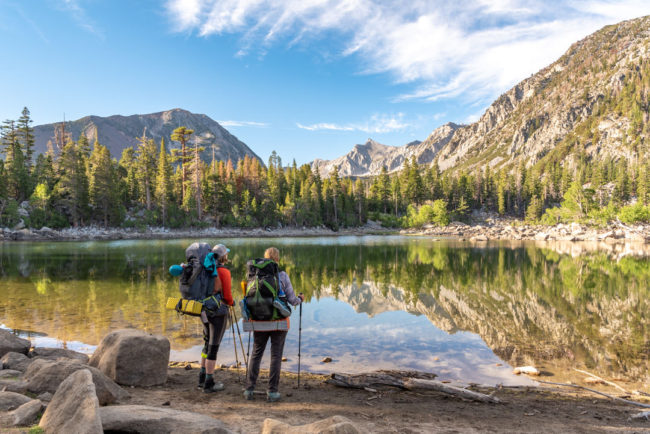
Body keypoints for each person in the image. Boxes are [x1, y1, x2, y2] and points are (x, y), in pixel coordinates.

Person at [244, 246, 303, 402]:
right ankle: (272, 391)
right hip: (278, 322)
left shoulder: (253, 274)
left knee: (256, 354)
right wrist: (300, 299)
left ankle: (249, 389)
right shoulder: (282, 275)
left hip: (258, 320)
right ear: (277, 259)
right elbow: (292, 300)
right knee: (276, 356)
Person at [198, 243, 234, 393]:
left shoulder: (204, 268)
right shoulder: (223, 272)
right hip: (218, 311)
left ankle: (201, 376)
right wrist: (232, 303)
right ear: (223, 256)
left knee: (207, 342)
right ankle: (209, 382)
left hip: (203, 310)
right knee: (214, 345)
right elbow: (227, 296)